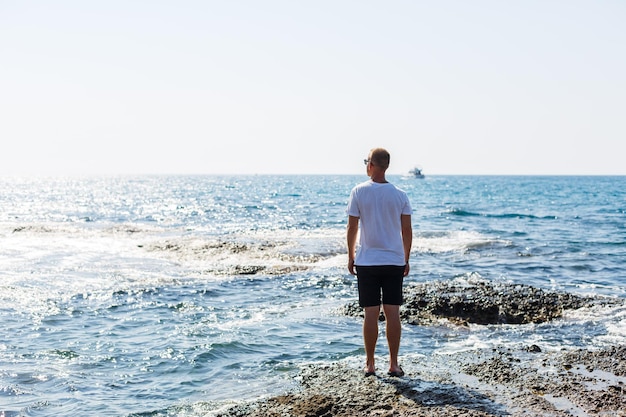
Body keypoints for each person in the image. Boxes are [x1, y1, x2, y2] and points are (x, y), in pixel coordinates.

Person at [346, 147, 413, 377]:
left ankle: (370, 364)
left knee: (371, 313)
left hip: (368, 262)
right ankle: (393, 364)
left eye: (366, 161)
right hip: (394, 261)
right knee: (393, 313)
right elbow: (407, 230)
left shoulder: (358, 191)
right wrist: (406, 258)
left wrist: (350, 255)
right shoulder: (400, 194)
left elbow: (352, 227)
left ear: (371, 165)